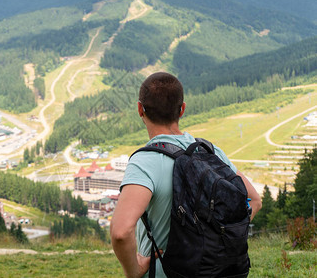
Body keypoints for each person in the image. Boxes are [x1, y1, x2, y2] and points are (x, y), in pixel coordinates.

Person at [110, 72, 262, 278]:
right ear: (182, 109)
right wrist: (216, 240)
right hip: (213, 272)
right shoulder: (209, 151)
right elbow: (254, 200)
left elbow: (120, 232)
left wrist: (134, 271)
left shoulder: (144, 162)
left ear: (140, 109)